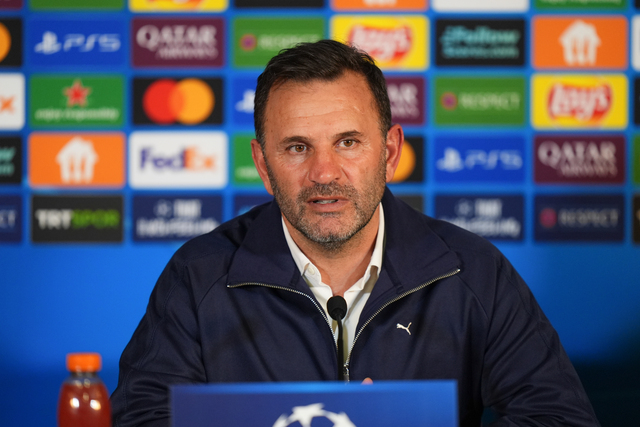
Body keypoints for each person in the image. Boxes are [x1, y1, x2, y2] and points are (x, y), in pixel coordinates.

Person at [111, 40, 599, 426]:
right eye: (297, 147)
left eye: (347, 142)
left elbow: (558, 417)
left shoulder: (472, 272)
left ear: (389, 152)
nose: (324, 173)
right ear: (262, 164)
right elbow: (141, 417)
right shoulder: (198, 276)